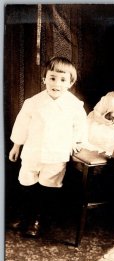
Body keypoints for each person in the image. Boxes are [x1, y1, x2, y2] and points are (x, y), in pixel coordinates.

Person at [8, 56, 87, 237]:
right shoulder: (33, 102)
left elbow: (80, 126)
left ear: (70, 82)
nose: (56, 84)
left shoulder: (74, 105)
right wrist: (16, 145)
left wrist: (77, 141)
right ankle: (26, 216)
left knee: (49, 186)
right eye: (52, 78)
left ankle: (40, 220)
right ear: (44, 79)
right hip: (32, 152)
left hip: (56, 154)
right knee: (27, 182)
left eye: (62, 79)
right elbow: (22, 125)